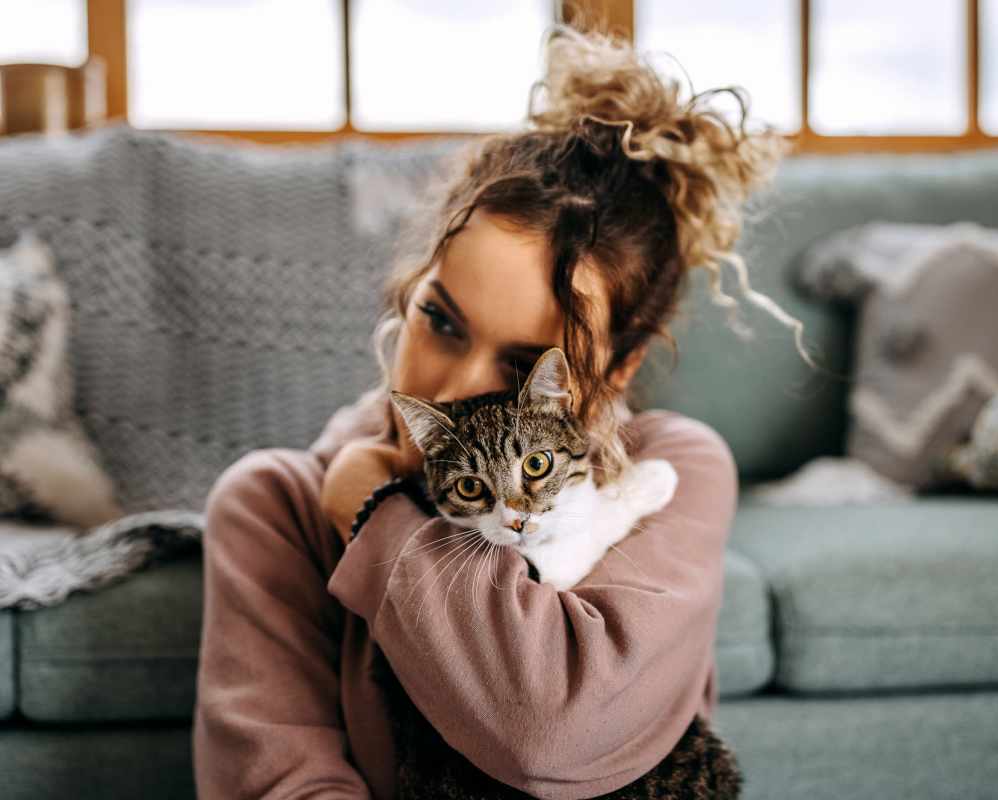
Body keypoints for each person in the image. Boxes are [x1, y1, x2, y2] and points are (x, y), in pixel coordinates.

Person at [192, 22, 815, 800]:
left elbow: (552, 733)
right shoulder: (273, 505)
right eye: (441, 321)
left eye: (523, 367)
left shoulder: (676, 472)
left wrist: (373, 511)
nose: (455, 391)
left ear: (617, 369)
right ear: (410, 288)